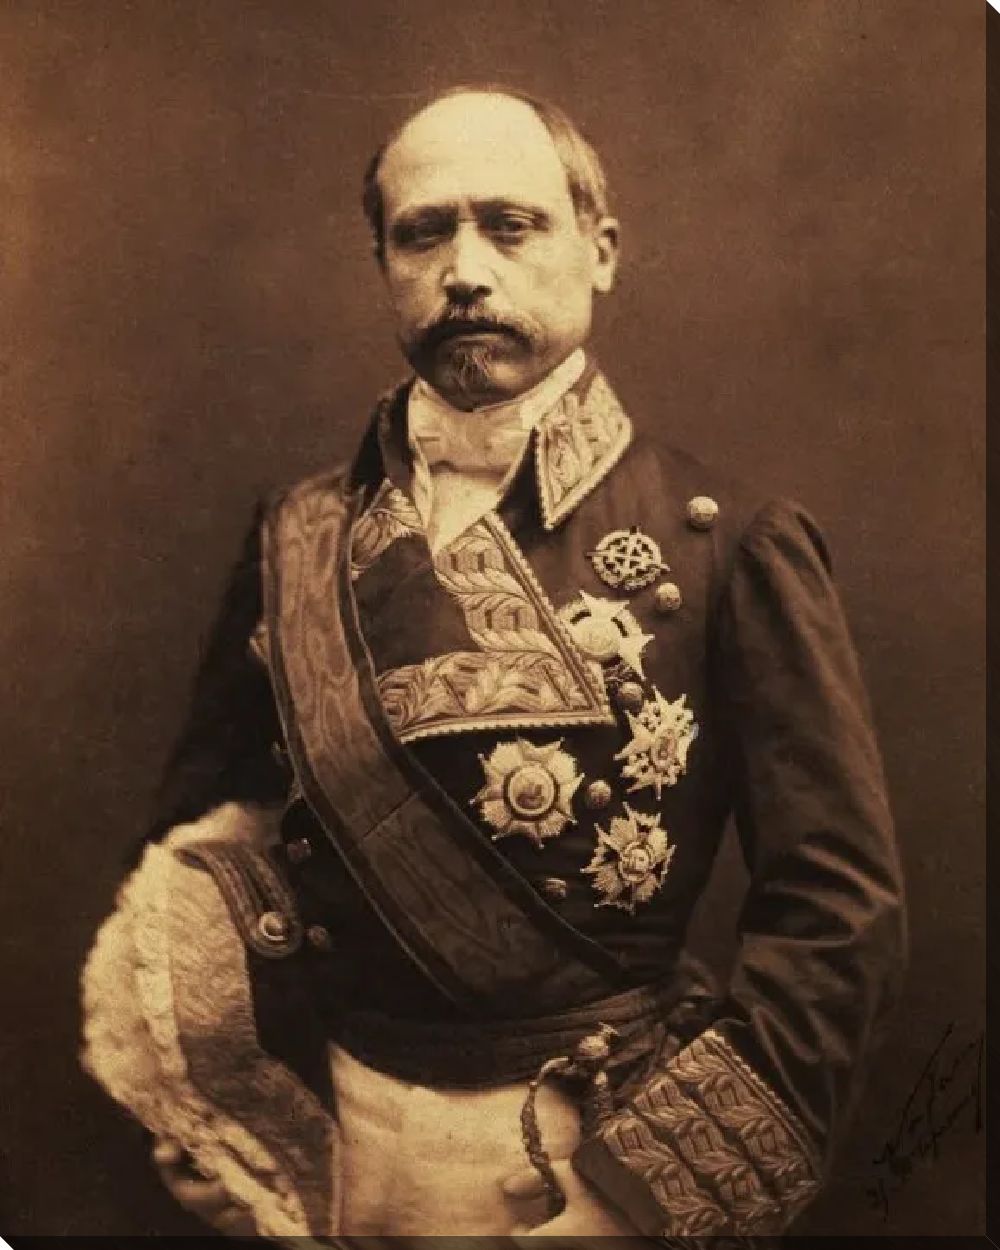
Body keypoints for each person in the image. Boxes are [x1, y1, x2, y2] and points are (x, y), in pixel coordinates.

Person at [80, 85, 907, 1241]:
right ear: (383, 263)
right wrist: (215, 1113)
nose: (464, 270)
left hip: (582, 1155)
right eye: (423, 233)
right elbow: (201, 837)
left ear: (599, 250)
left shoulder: (727, 540)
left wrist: (641, 1199)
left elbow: (836, 911)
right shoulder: (295, 533)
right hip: (333, 1160)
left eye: (511, 226)